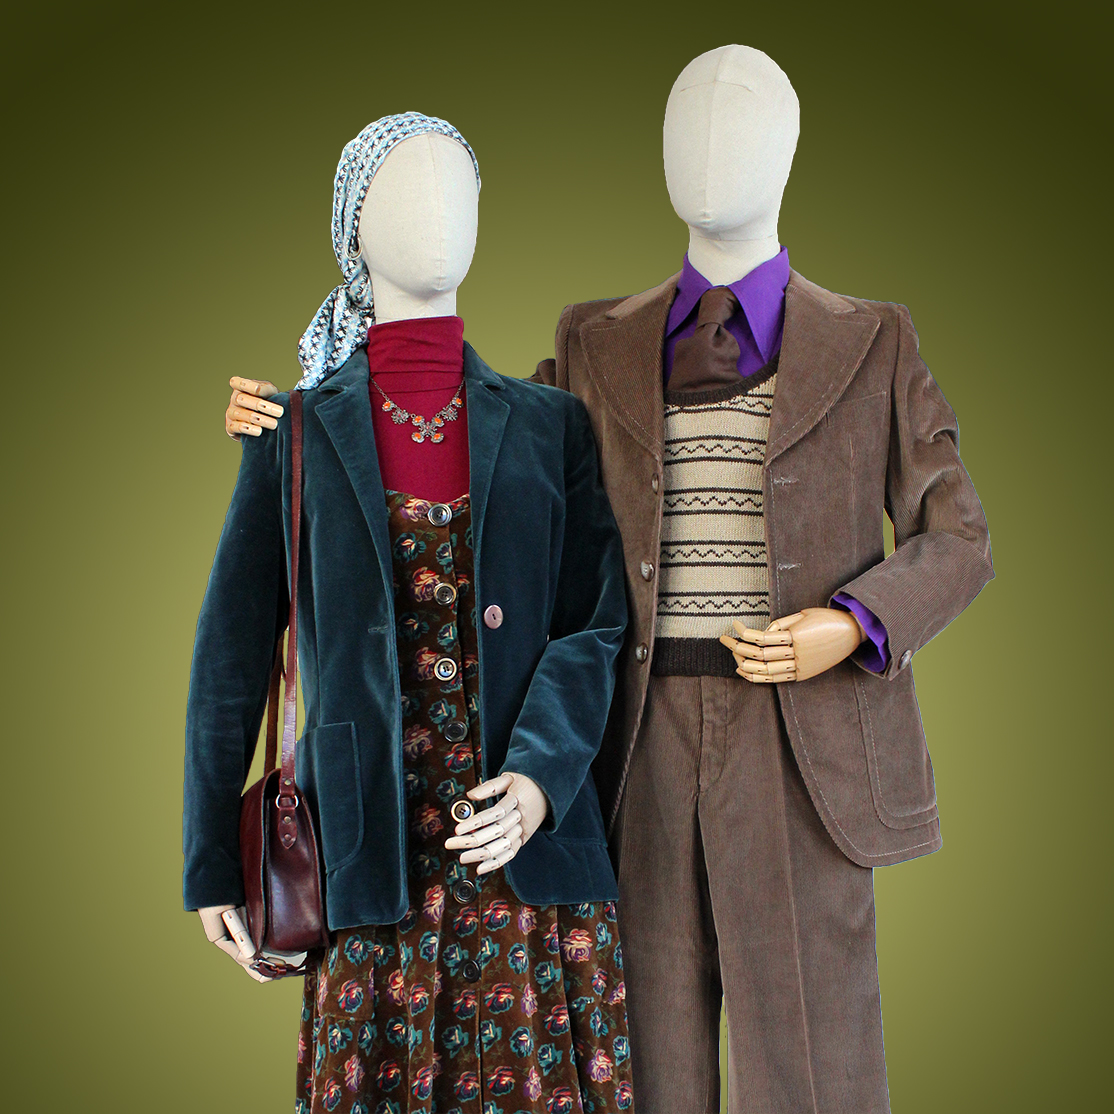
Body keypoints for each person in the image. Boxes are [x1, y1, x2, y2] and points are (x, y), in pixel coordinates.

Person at [222, 47, 993, 1114]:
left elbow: (959, 535)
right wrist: (301, 417)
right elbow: (476, 455)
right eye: (685, 124)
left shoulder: (875, 339)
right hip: (632, 739)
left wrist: (854, 622)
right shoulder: (593, 341)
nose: (709, 150)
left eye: (742, 124)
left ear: (791, 150)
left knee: (813, 1060)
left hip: (801, 739)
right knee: (647, 1059)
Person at [184, 112, 635, 1114]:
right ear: (351, 227)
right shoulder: (293, 434)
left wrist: (540, 778)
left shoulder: (552, 424)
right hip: (366, 858)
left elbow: (595, 624)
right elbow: (231, 659)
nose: (437, 209)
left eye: (458, 186)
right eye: (401, 187)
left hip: (528, 860)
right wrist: (211, 863)